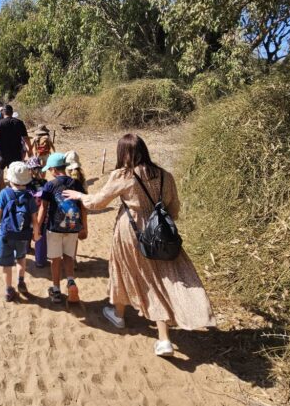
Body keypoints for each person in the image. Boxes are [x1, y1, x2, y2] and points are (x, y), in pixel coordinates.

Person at [63, 133, 215, 357]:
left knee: (129, 273)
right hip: (159, 229)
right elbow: (174, 208)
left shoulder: (124, 175)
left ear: (123, 153)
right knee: (161, 276)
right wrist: (160, 222)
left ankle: (153, 334)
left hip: (131, 230)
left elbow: (97, 203)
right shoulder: (165, 175)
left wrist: (79, 195)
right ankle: (135, 320)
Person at [34, 153, 87, 303]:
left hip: (54, 228)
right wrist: (84, 227)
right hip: (73, 227)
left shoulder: (50, 185)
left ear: (53, 169)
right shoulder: (76, 183)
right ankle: (71, 282)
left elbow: (43, 209)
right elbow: (82, 207)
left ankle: (56, 290)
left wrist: (37, 228)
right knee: (69, 257)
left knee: (55, 260)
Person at [0, 162, 38, 301]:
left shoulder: (4, 193)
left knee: (7, 263)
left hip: (6, 234)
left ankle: (8, 289)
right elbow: (34, 220)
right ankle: (21, 281)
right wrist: (36, 235)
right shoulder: (30, 197)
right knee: (21, 257)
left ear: (11, 178)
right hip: (23, 234)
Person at [25, 157, 48, 268]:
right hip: (40, 214)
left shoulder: (25, 183)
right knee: (39, 235)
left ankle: (26, 248)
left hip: (28, 213)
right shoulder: (45, 183)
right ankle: (40, 260)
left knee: (27, 232)